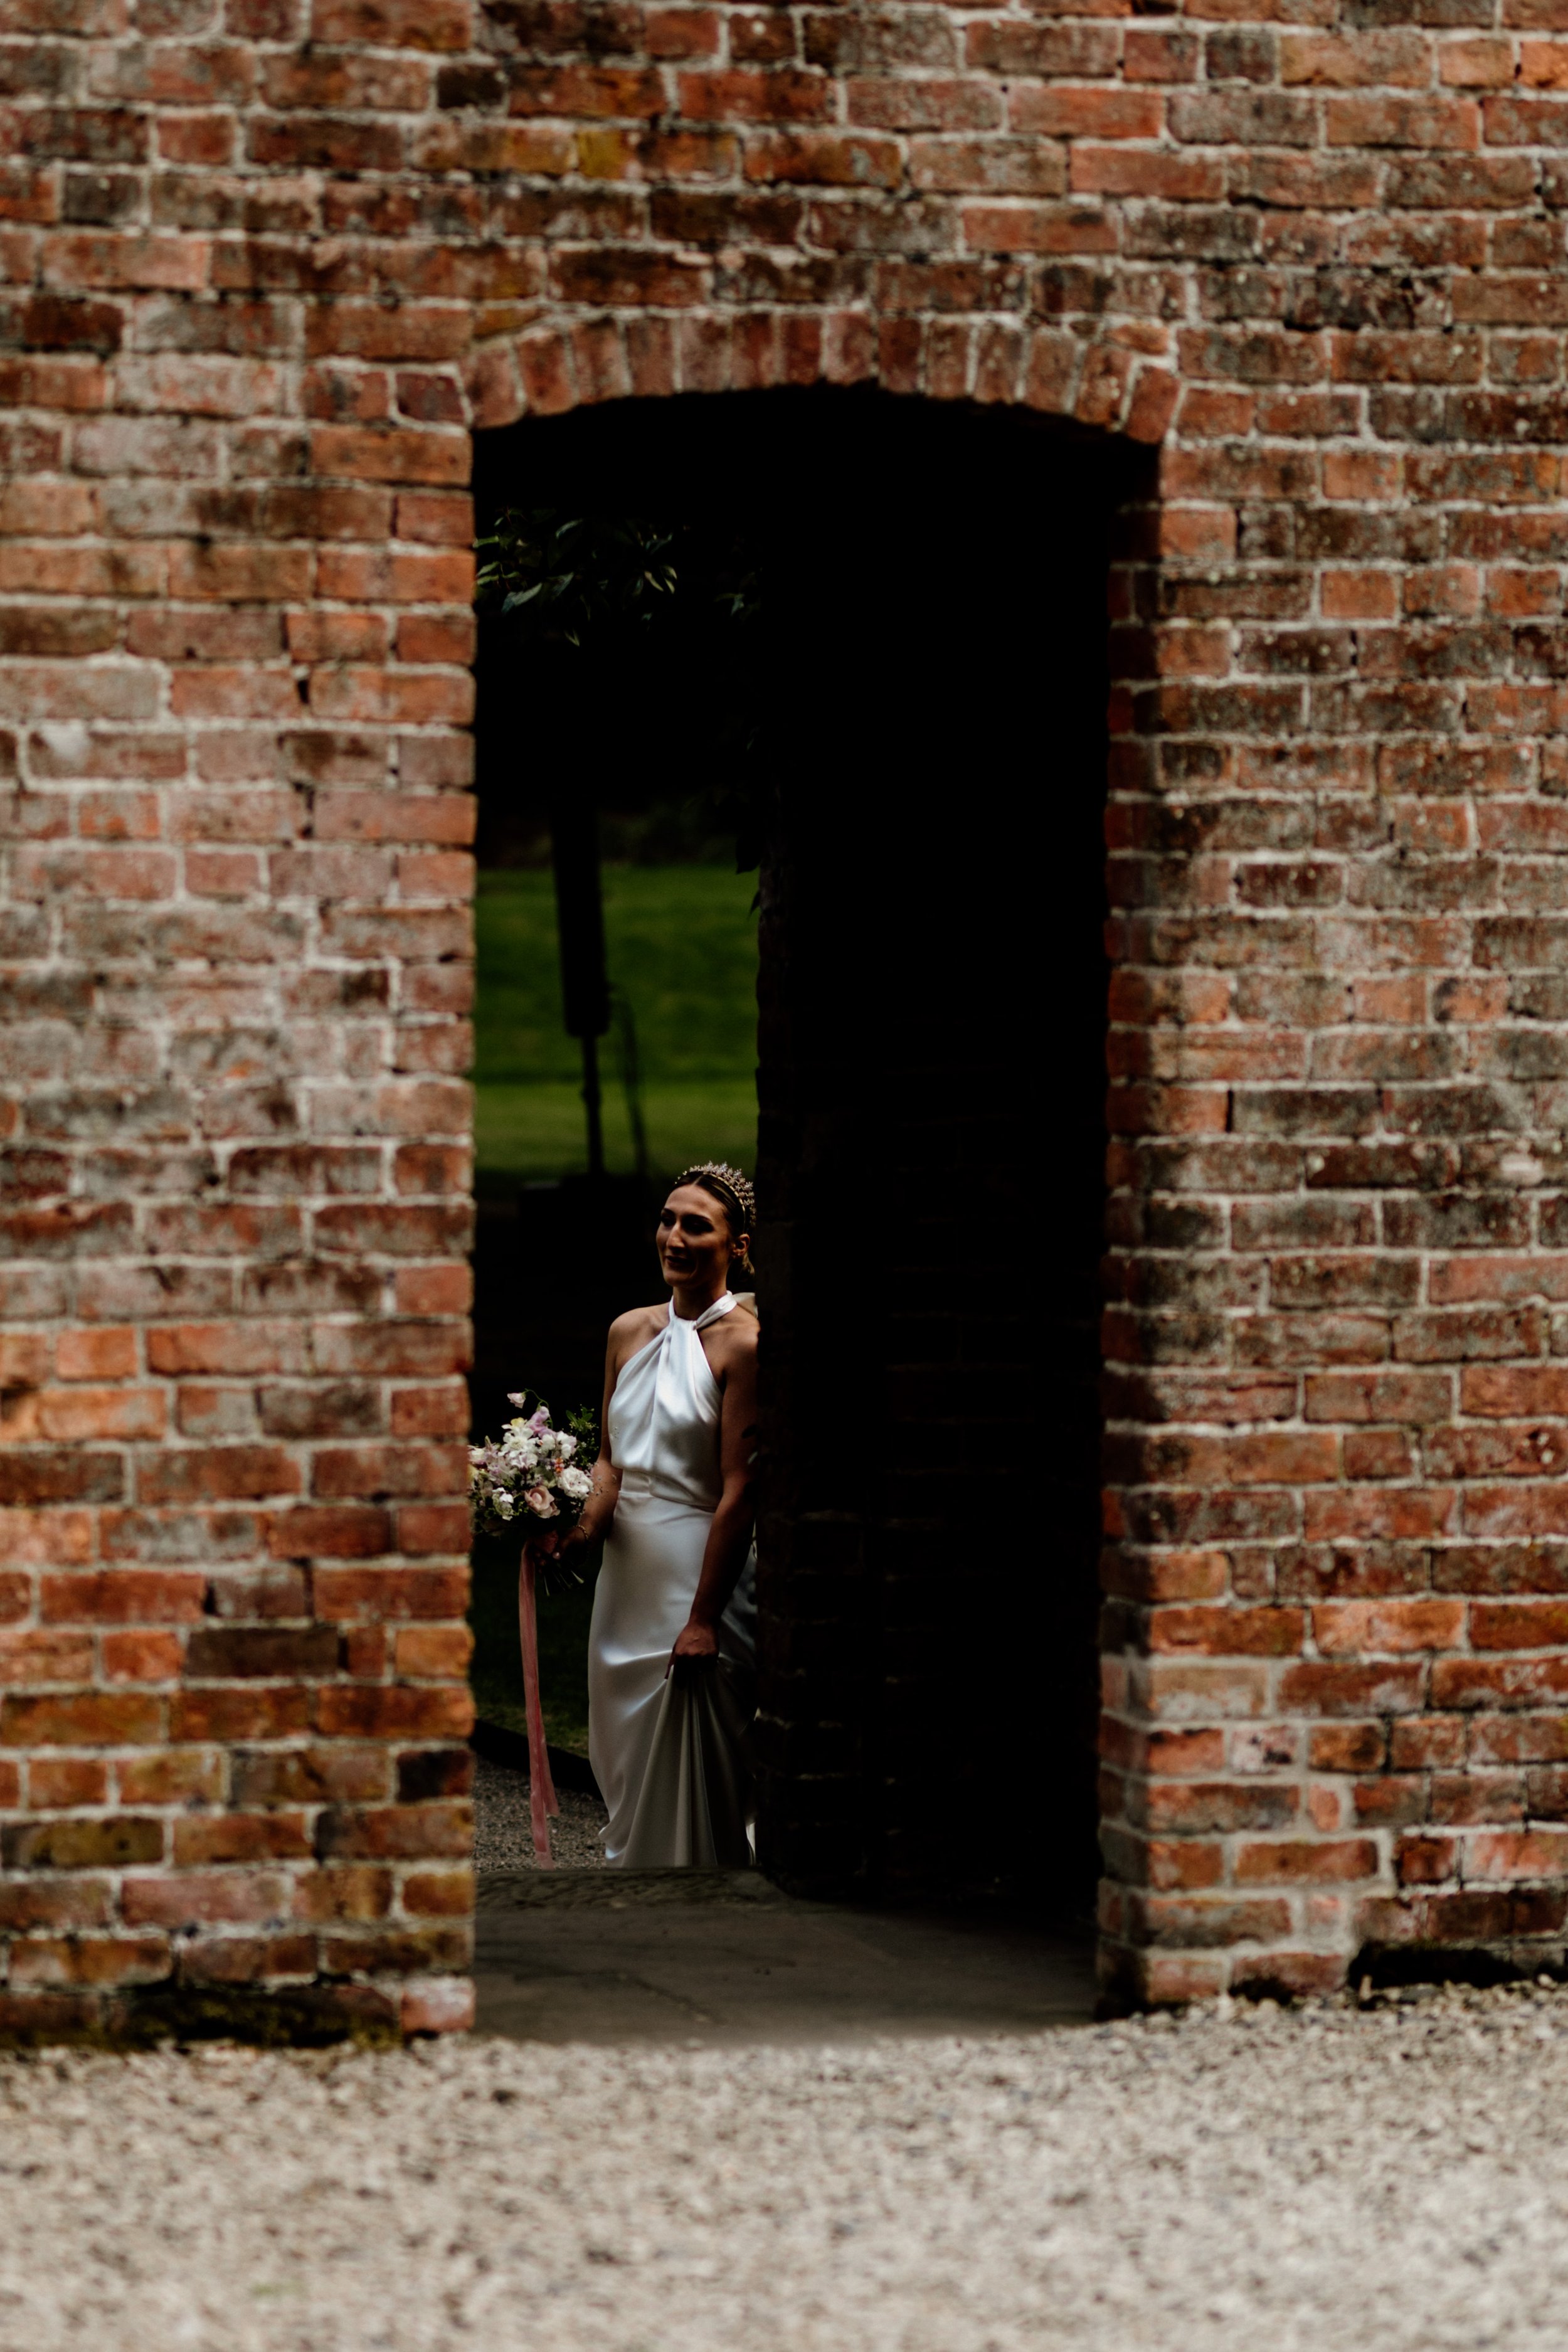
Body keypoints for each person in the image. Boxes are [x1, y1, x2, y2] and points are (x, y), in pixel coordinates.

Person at [529, 1162, 760, 1866]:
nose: (675, 1238)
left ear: (737, 1247)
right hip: (626, 1582)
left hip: (696, 1574)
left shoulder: (746, 1346)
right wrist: (581, 1533)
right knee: (625, 1753)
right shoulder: (627, 1331)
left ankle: (705, 1898)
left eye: (696, 1226)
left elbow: (741, 1490)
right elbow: (610, 1461)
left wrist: (703, 1618)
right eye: (667, 1220)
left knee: (695, 1758)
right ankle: (636, 1887)